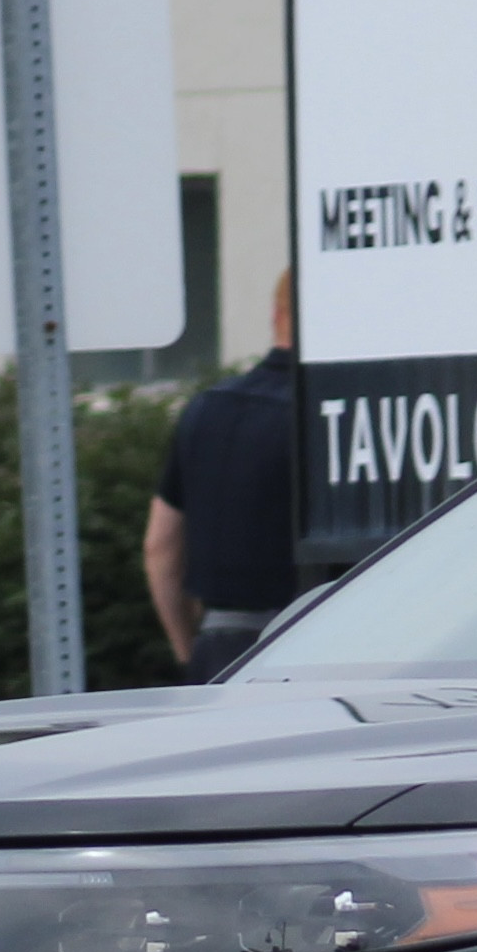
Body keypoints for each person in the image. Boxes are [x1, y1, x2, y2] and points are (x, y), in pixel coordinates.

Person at [144, 274, 300, 680]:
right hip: (311, 651)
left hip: (218, 649)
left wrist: (186, 652)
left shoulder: (205, 409)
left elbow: (160, 547)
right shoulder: (327, 413)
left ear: (275, 314)